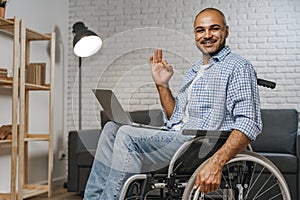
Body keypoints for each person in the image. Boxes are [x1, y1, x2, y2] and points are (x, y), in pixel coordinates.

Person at [84, 7, 262, 199]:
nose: (207, 35)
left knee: (127, 135)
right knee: (112, 128)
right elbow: (175, 117)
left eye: (214, 28)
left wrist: (216, 163)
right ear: (195, 35)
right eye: (200, 30)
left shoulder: (238, 66)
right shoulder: (195, 70)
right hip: (178, 138)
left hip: (200, 146)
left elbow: (249, 123)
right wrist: (162, 85)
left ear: (226, 31)